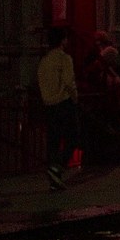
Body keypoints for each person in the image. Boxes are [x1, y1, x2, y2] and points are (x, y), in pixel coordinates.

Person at [37, 27, 80, 190]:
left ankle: (54, 179)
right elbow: (69, 81)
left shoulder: (44, 61)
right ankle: (58, 167)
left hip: (49, 105)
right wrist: (75, 98)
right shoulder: (64, 58)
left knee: (53, 141)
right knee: (73, 137)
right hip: (64, 102)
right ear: (62, 41)